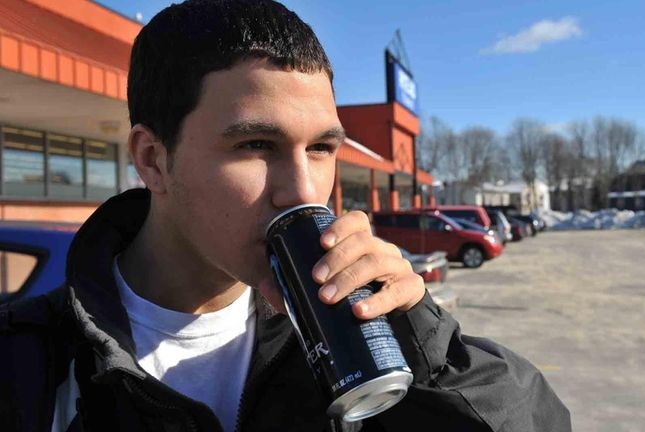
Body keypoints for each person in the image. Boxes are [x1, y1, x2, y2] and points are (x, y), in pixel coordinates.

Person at [0, 1, 570, 431]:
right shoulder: (34, 367)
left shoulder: (350, 338)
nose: (302, 192)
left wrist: (426, 345)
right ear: (154, 160)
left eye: (321, 149)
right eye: (255, 146)